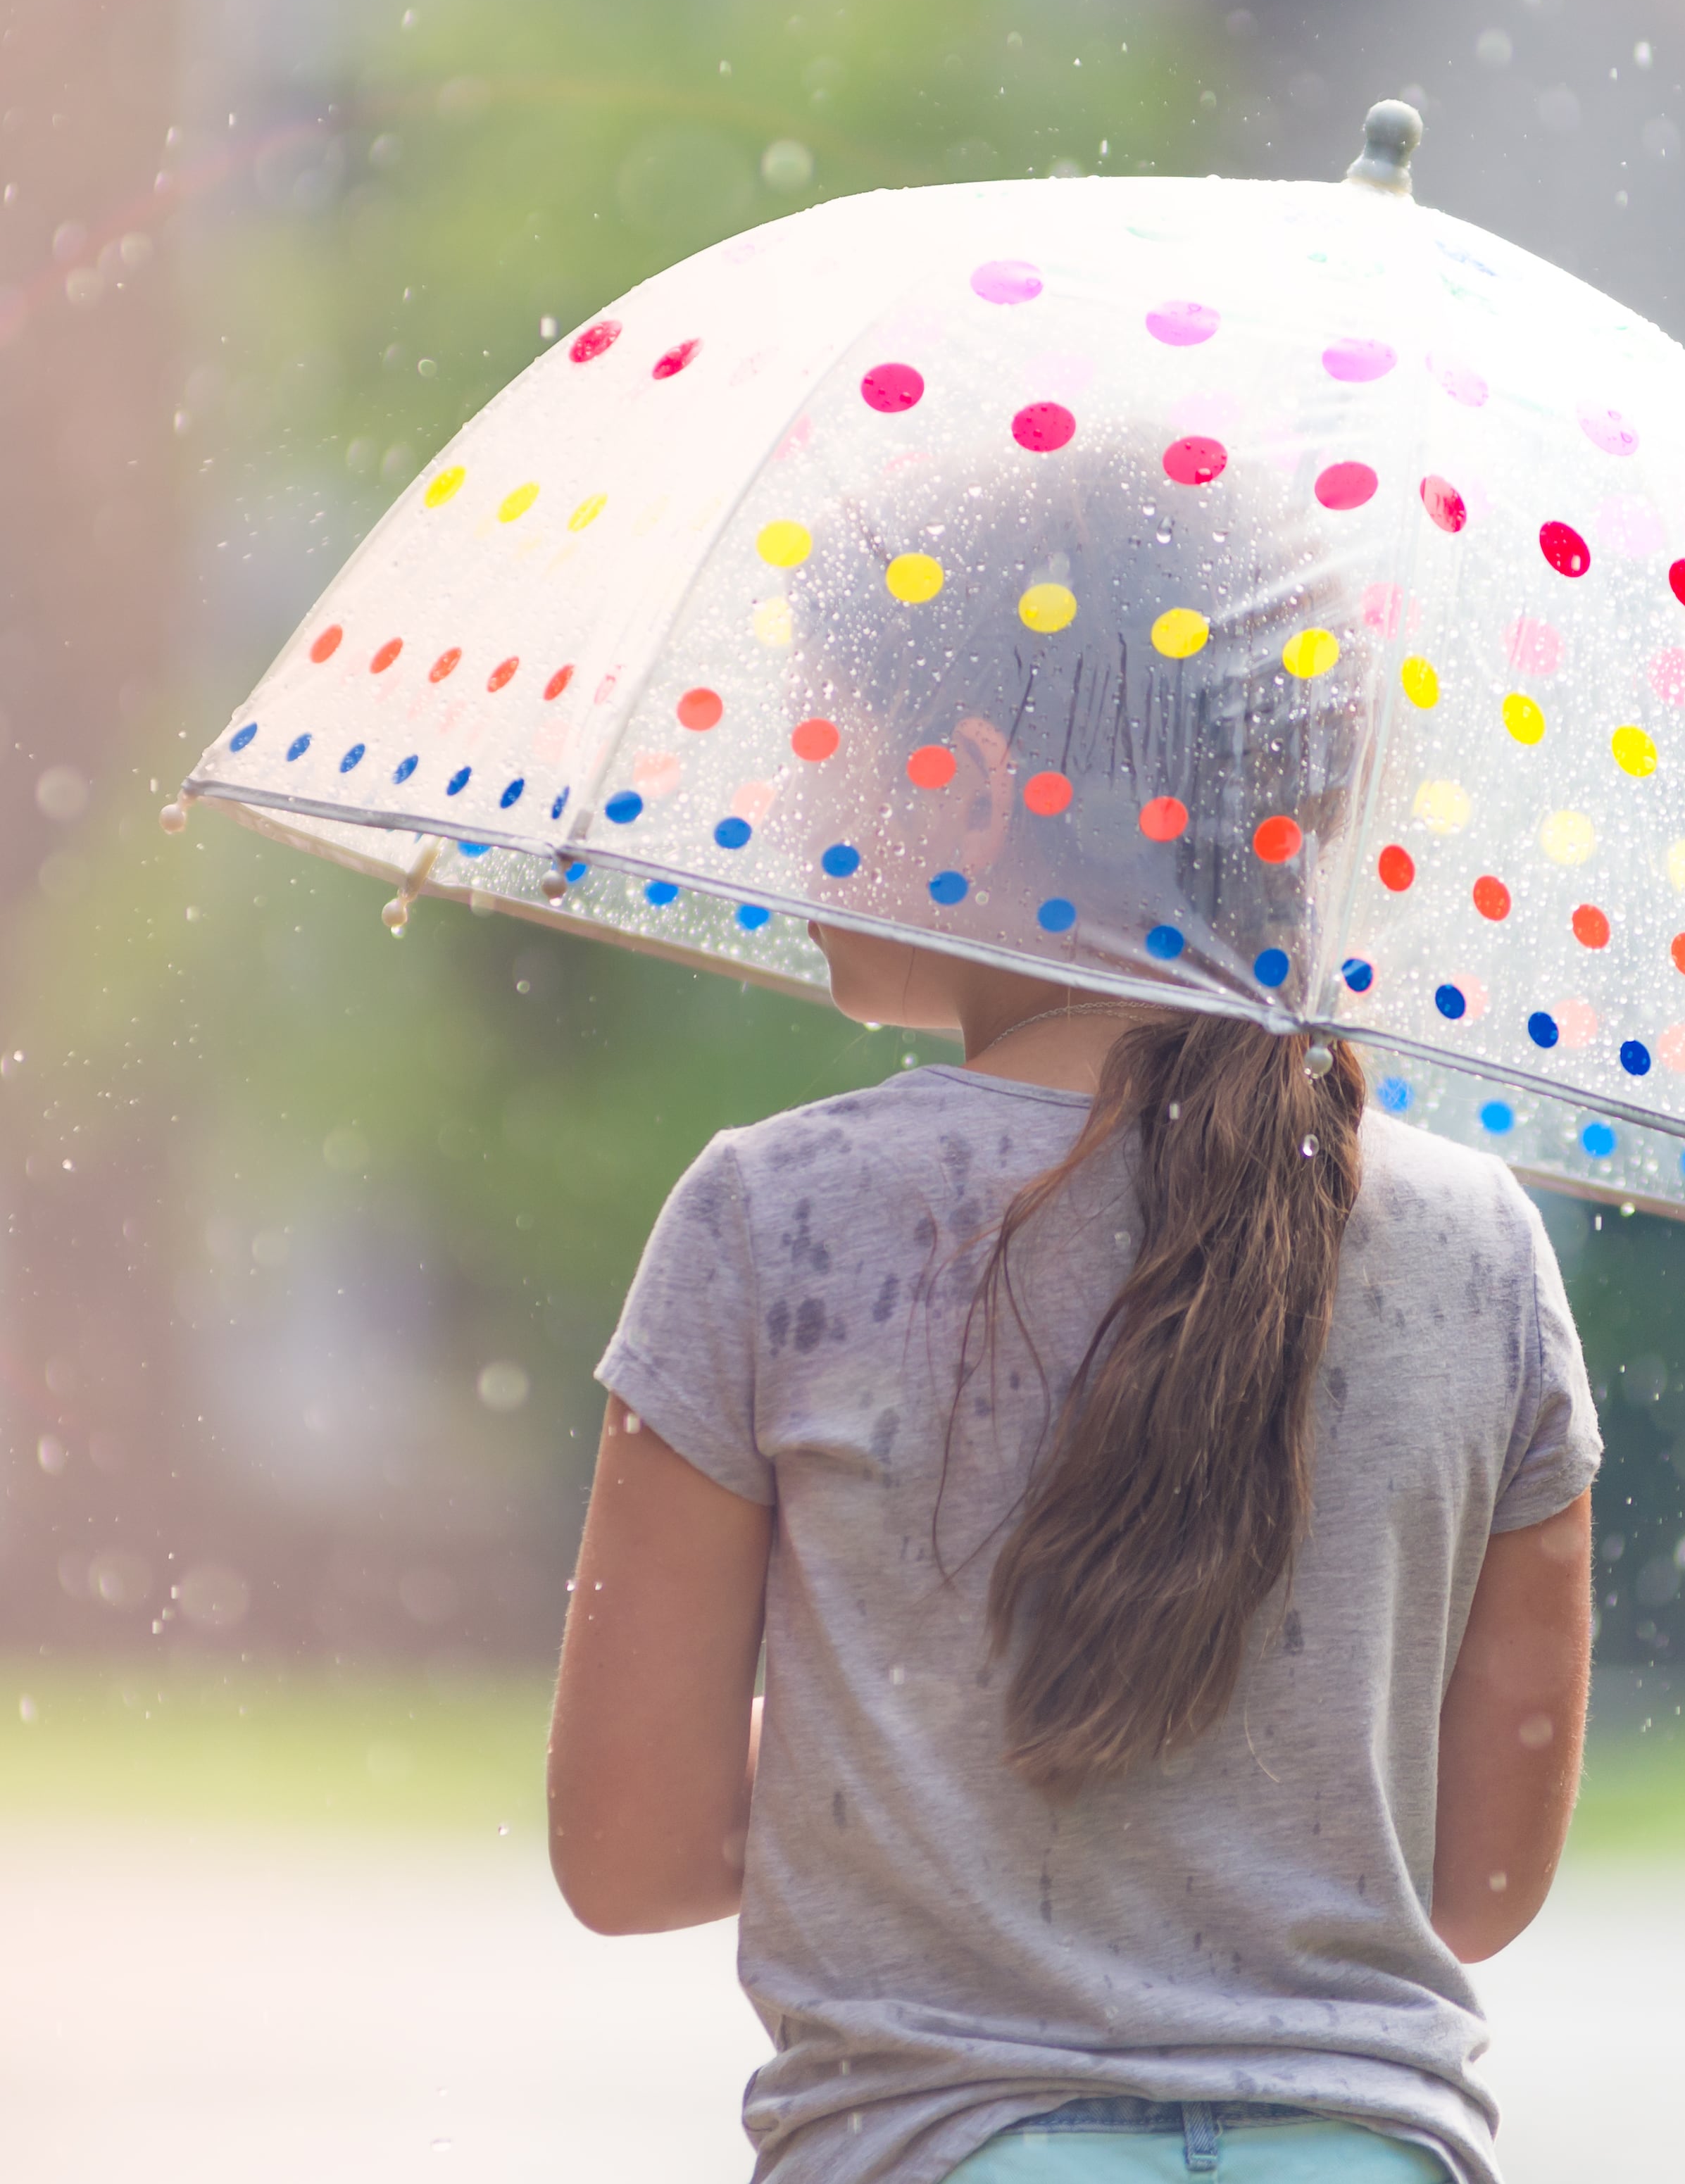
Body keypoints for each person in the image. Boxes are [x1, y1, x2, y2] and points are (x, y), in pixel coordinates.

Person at [545, 919, 1600, 2184]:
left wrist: (889, 1724)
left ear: (988, 789)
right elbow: (1480, 1881)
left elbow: (631, 1851)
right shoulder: (1482, 1241)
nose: (810, 823)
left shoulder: (777, 1212)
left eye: (845, 762)